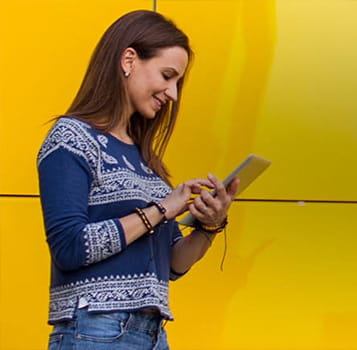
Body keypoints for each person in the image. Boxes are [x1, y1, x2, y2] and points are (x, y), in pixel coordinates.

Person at [37, 10, 239, 350]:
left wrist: (209, 226)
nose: (173, 94)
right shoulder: (70, 138)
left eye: (178, 83)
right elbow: (70, 248)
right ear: (129, 59)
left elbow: (174, 264)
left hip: (153, 334)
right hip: (95, 330)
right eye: (167, 75)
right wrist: (162, 208)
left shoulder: (146, 162)